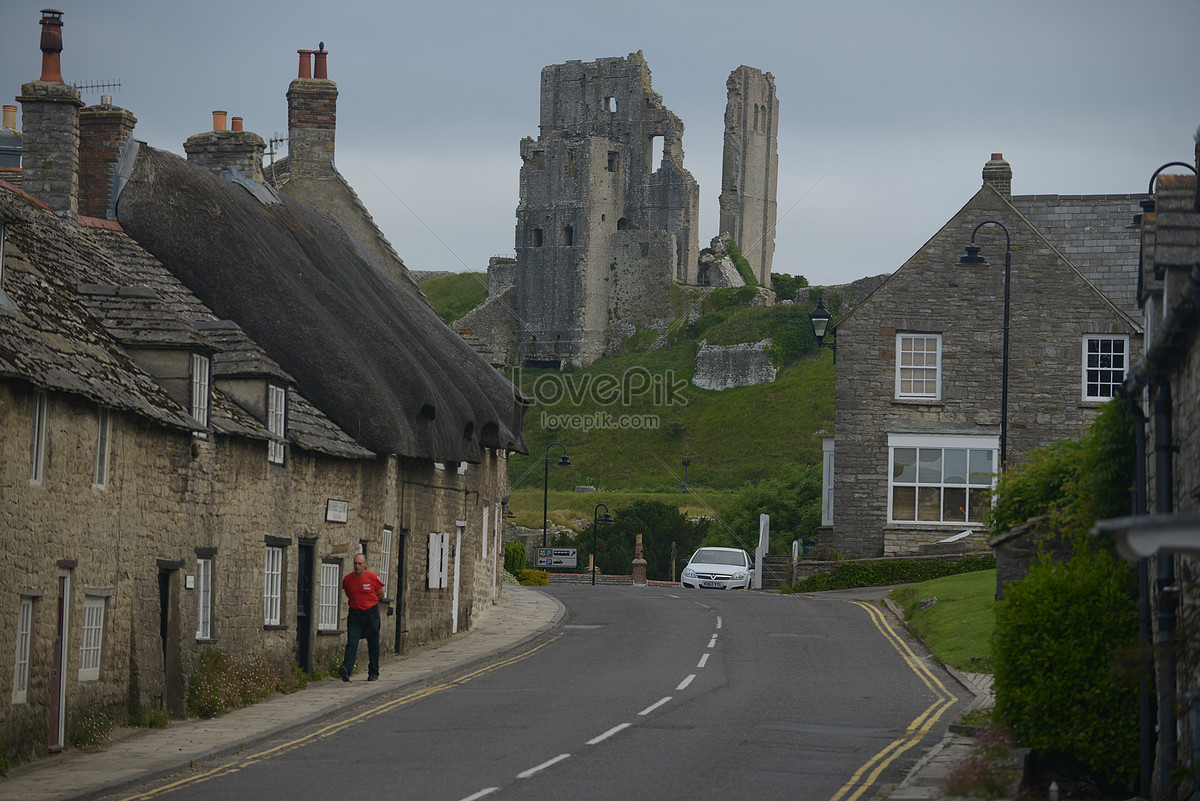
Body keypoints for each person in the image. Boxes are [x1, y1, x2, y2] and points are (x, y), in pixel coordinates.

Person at [339, 553, 385, 682]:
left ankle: (373, 672)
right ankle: (346, 669)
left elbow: (381, 594)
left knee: (373, 644)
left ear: (365, 564)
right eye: (355, 563)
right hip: (355, 616)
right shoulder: (348, 579)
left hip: (371, 615)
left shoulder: (373, 578)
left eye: (359, 564)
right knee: (352, 642)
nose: (357, 566)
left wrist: (368, 603)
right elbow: (348, 593)